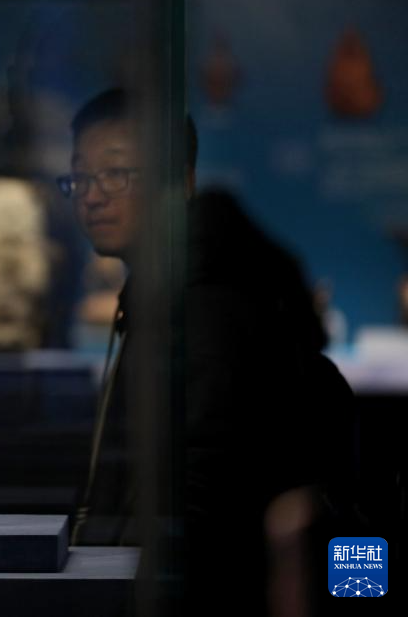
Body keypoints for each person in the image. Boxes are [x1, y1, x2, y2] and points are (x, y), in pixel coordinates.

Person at [61, 89, 353, 614]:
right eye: (80, 177)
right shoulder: (172, 290)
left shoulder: (205, 302)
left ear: (181, 181)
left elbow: (201, 493)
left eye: (116, 173)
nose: (92, 196)